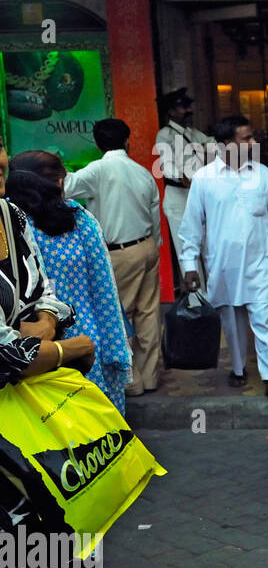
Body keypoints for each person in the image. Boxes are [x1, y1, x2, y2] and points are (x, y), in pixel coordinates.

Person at [0, 190, 178, 568]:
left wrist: (48, 325)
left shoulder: (12, 217)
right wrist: (70, 350)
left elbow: (49, 297)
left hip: (33, 458)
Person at [180, 115, 268, 407]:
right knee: (231, 320)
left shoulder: (263, 175)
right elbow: (192, 226)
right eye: (246, 138)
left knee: (264, 319)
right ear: (226, 145)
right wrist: (189, 264)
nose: (253, 142)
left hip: (260, 262)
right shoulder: (204, 179)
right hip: (223, 264)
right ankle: (238, 368)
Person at [4, 169, 133, 413]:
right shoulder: (78, 217)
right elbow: (103, 288)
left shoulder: (14, 224)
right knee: (97, 421)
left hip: (35, 345)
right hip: (86, 335)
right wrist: (115, 347)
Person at [62, 118, 163, 398]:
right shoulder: (142, 172)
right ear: (127, 141)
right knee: (149, 314)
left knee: (121, 317)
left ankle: (132, 382)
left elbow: (66, 187)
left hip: (119, 253)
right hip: (148, 247)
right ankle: (151, 376)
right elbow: (155, 216)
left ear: (97, 143)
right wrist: (154, 244)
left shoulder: (98, 169)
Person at [154, 87, 211, 294]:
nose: (188, 111)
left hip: (198, 197)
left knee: (207, 248)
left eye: (188, 107)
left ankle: (211, 301)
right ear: (171, 112)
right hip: (179, 197)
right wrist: (181, 176)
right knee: (186, 250)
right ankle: (197, 302)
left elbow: (214, 145)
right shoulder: (165, 135)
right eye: (183, 107)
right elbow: (165, 163)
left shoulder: (194, 133)